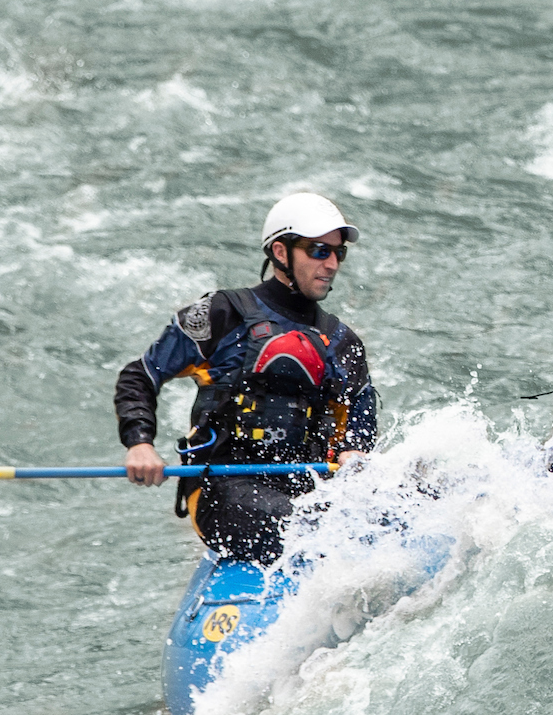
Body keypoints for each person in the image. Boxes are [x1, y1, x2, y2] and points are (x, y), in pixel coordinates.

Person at [114, 192, 375, 565]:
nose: (331, 263)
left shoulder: (342, 341)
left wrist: (355, 452)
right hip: (223, 488)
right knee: (310, 525)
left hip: (308, 485)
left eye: (338, 253)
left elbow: (360, 426)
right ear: (281, 253)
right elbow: (140, 375)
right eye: (319, 251)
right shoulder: (222, 314)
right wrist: (139, 443)